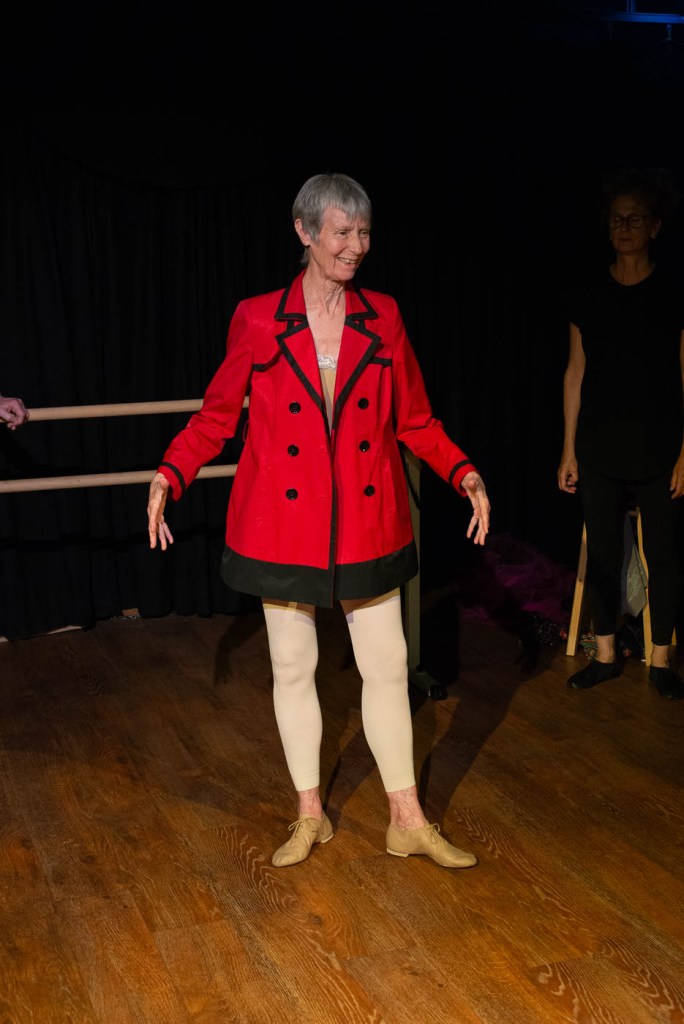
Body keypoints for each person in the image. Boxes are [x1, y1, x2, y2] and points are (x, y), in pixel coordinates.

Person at [147, 172, 491, 867]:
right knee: (292, 664)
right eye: (341, 232)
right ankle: (309, 814)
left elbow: (415, 419)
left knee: (387, 665)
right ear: (304, 232)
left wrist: (464, 472)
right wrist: (170, 472)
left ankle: (407, 819)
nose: (355, 246)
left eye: (363, 232)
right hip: (283, 523)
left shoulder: (383, 316)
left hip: (367, 517)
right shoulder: (258, 318)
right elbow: (217, 416)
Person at [558, 166, 684, 700]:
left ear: (655, 226)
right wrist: (568, 449)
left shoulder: (672, 292)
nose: (624, 228)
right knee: (605, 551)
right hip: (599, 443)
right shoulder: (589, 294)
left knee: (664, 551)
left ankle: (661, 660)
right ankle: (605, 653)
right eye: (616, 219)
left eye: (635, 219)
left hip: (660, 445)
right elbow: (575, 372)